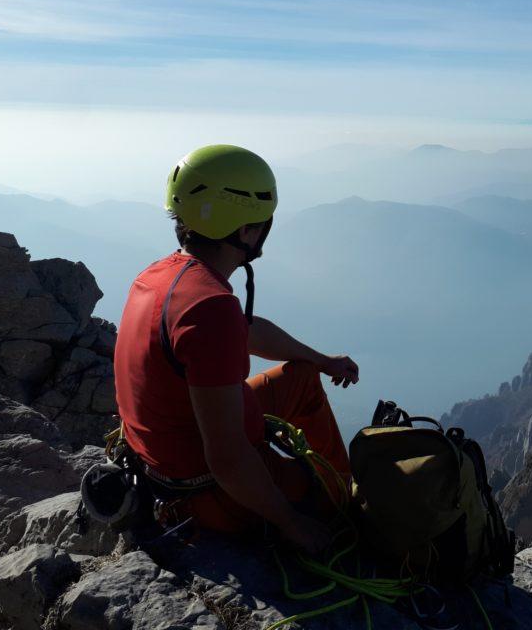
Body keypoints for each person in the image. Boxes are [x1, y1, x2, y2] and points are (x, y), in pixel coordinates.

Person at [113, 144, 358, 555]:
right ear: (245, 230)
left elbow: (242, 333)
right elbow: (227, 458)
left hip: (170, 455)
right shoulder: (210, 308)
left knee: (301, 379)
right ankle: (341, 501)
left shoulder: (164, 275)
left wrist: (319, 359)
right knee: (328, 505)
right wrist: (291, 521)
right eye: (263, 222)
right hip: (206, 493)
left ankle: (341, 485)